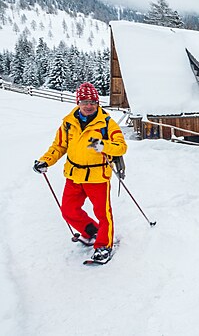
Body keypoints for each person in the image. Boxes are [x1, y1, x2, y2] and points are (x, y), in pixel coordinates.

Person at [33, 82, 128, 263]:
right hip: (74, 175)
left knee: (103, 213)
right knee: (68, 210)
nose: (88, 105)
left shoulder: (107, 123)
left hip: (97, 176)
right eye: (84, 101)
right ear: (78, 103)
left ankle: (103, 245)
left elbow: (121, 147)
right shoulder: (68, 123)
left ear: (97, 103)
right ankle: (91, 231)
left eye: (92, 101)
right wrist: (46, 160)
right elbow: (59, 146)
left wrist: (102, 145)